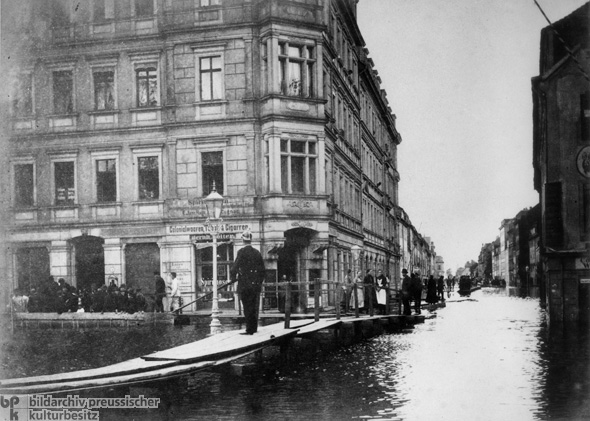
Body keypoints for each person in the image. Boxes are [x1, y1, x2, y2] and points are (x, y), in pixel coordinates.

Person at [230, 230, 266, 334]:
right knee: (254, 307)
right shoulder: (257, 253)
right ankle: (253, 328)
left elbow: (234, 268)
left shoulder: (241, 252)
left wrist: (233, 278)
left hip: (244, 285)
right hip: (255, 286)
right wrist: (258, 282)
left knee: (247, 307)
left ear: (243, 240)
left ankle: (249, 329)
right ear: (251, 240)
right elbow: (263, 271)